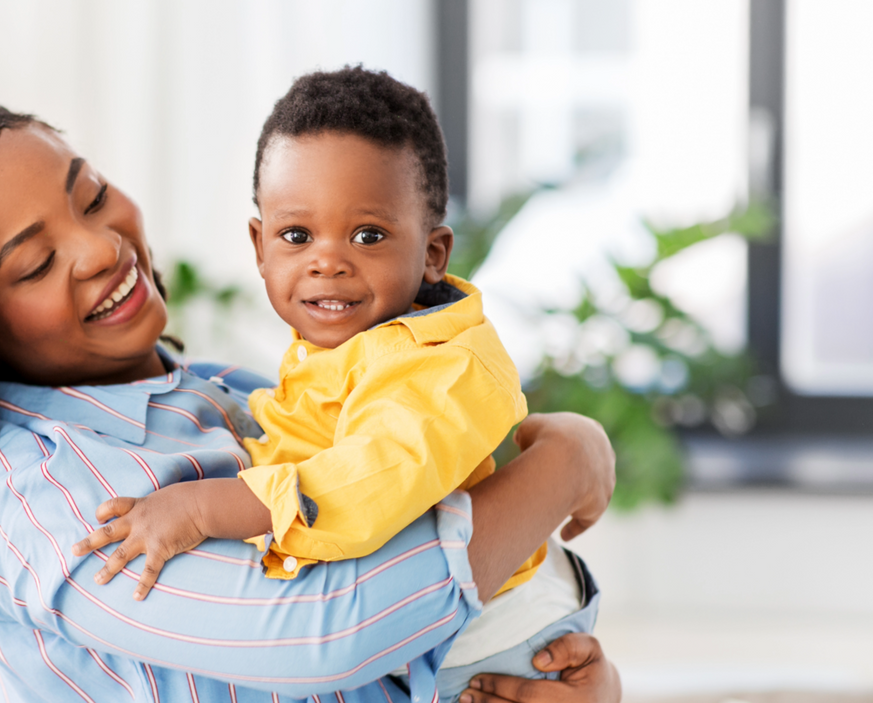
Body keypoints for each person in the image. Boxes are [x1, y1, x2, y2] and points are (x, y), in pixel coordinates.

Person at [0, 93, 620, 702]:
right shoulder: (40, 500)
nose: (102, 248)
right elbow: (332, 632)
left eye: (91, 194)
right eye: (34, 264)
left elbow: (409, 534)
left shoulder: (229, 394)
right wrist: (567, 464)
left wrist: (544, 670)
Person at [71, 67, 598, 699]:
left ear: (433, 253)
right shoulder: (341, 348)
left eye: (368, 235)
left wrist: (203, 507)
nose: (328, 259)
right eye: (297, 235)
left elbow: (365, 485)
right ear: (260, 246)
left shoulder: (445, 365)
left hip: (501, 644)